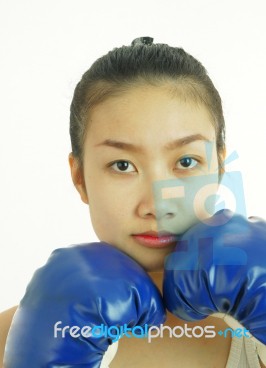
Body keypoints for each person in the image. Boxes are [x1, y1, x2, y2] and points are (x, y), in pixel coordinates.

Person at [1, 37, 266, 367]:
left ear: (219, 169)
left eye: (186, 162)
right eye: (122, 165)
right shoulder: (9, 341)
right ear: (80, 177)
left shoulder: (256, 332)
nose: (157, 205)